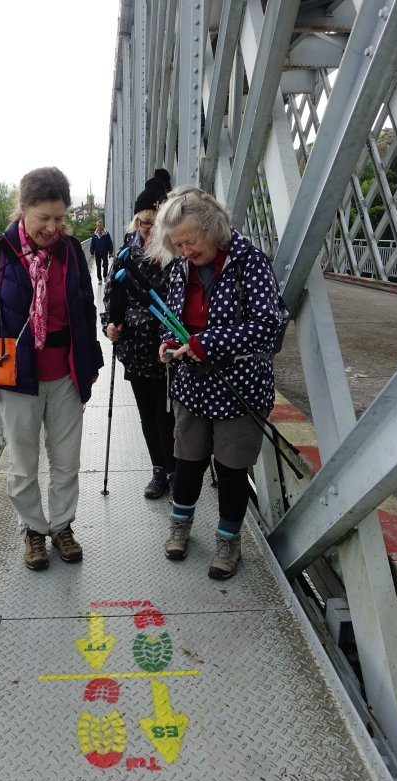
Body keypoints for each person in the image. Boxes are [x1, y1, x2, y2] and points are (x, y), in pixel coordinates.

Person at [0, 166, 104, 571]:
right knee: (24, 463)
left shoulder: (71, 251)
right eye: (44, 217)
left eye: (60, 218)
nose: (53, 227)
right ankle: (33, 531)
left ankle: (62, 527)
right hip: (17, 376)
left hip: (65, 372)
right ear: (23, 209)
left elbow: (84, 310)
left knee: (66, 459)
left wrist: (91, 362)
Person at [146, 185, 286, 579]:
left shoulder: (249, 263)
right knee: (187, 460)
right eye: (178, 244)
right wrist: (169, 342)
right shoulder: (180, 268)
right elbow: (170, 318)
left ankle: (228, 541)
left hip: (239, 385)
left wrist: (205, 342)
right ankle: (181, 525)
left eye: (190, 241)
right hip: (192, 383)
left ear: (214, 227)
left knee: (231, 468)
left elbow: (267, 325)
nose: (185, 251)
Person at [101, 168, 175, 500]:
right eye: (144, 224)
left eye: (155, 224)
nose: (149, 231)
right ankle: (159, 470)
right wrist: (109, 324)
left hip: (167, 348)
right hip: (133, 348)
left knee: (166, 414)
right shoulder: (125, 253)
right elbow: (110, 293)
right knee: (148, 413)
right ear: (136, 221)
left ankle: (175, 469)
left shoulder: (176, 254)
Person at [90, 219, 113, 284]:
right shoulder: (94, 235)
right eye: (98, 225)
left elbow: (110, 243)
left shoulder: (106, 234)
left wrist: (110, 252)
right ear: (97, 226)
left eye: (100, 225)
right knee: (98, 266)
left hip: (104, 252)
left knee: (105, 265)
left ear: (102, 225)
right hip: (97, 253)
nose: (99, 226)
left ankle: (105, 276)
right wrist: (92, 253)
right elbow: (92, 244)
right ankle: (99, 279)